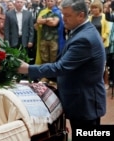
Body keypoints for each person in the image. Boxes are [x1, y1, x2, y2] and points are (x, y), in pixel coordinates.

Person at [17, 0, 106, 140]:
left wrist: (28, 69)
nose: (63, 19)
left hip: (85, 103)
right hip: (80, 99)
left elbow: (61, 67)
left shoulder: (84, 38)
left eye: (67, 15)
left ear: (81, 15)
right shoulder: (80, 31)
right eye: (63, 14)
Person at [34, 0, 65, 83]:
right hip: (43, 39)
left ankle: (53, 79)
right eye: (48, 1)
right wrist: (48, 19)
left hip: (54, 39)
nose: (49, 2)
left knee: (53, 60)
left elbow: (54, 23)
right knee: (44, 59)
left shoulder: (57, 12)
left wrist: (44, 20)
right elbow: (38, 21)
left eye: (51, 1)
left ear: (55, 2)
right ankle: (45, 77)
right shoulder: (43, 11)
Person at [89, 0, 110, 90]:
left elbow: (107, 31)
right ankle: (93, 82)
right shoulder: (89, 18)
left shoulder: (104, 17)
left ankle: (105, 82)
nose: (93, 9)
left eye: (95, 7)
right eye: (92, 8)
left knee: (103, 64)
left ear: (100, 8)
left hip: (102, 44)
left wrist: (102, 39)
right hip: (91, 44)